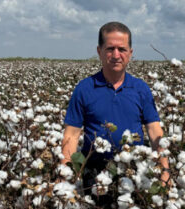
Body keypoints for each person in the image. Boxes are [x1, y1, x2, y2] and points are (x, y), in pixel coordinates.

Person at [61, 21, 170, 191]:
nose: (116, 55)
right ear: (99, 51)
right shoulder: (84, 89)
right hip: (93, 177)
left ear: (130, 53)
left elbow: (155, 131)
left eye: (122, 49)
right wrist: (65, 178)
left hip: (135, 175)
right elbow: (71, 136)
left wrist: (165, 171)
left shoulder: (141, 89)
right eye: (110, 49)